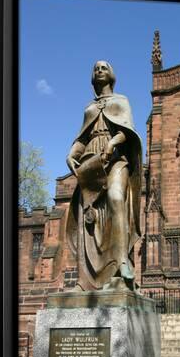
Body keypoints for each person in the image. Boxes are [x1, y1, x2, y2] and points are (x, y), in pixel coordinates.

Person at [66, 60, 142, 291]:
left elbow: (126, 132)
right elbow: (82, 138)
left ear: (112, 75)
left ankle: (121, 265)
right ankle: (85, 281)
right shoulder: (89, 108)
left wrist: (111, 143)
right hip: (90, 163)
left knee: (116, 199)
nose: (99, 70)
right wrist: (72, 154)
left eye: (104, 67)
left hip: (116, 159)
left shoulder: (121, 101)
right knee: (88, 217)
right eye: (96, 68)